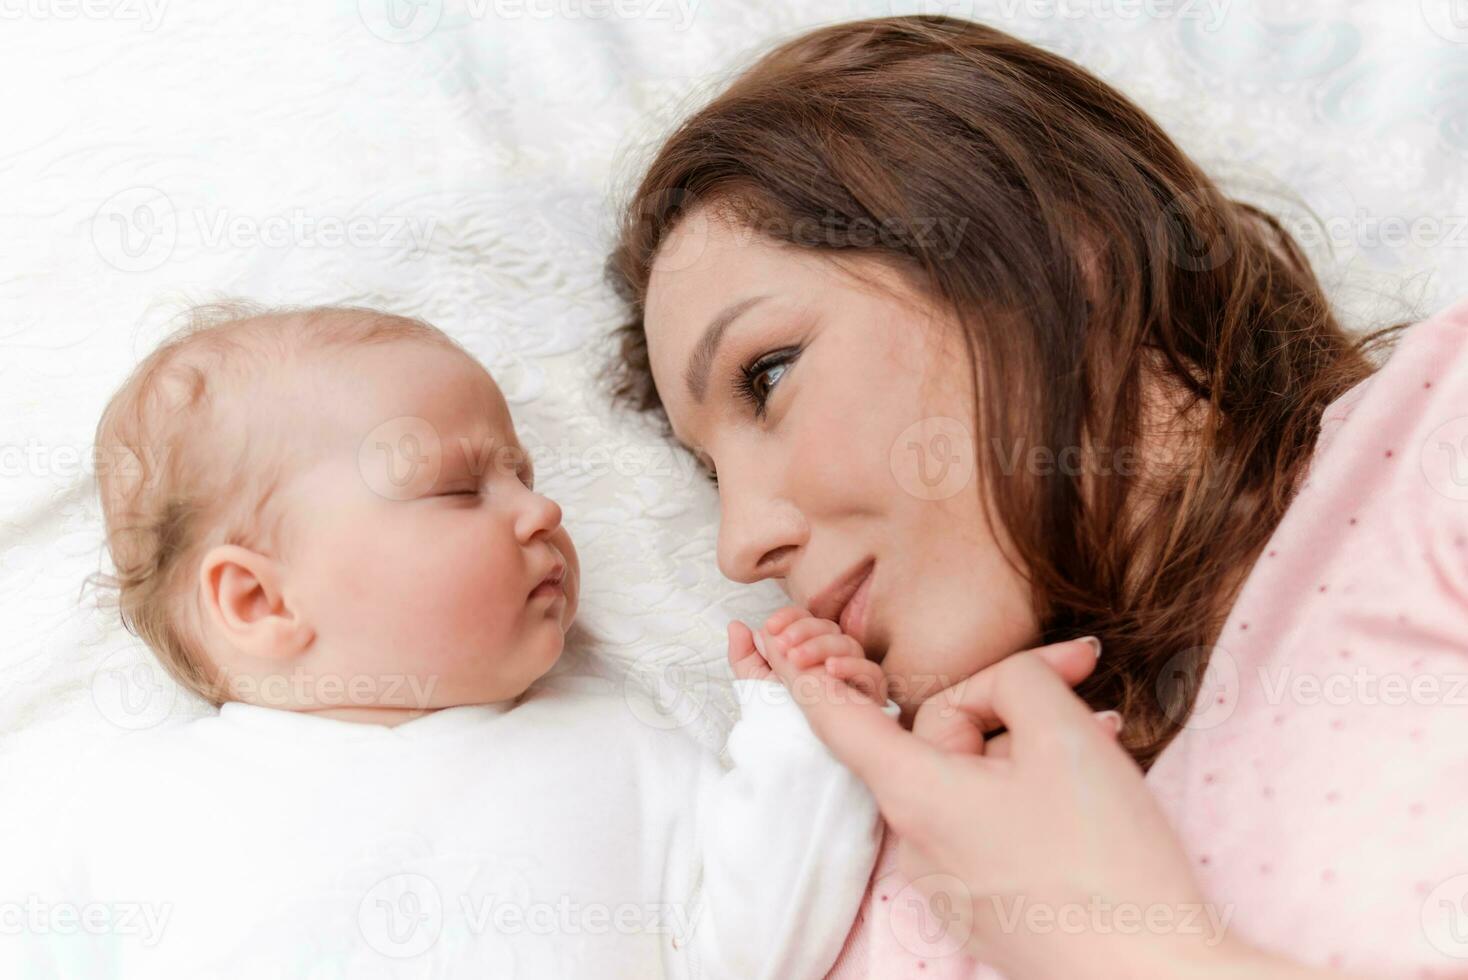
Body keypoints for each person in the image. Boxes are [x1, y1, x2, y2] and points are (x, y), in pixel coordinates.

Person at [603, 14, 1468, 977]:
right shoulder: (853, 870)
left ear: (1058, 241)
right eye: (711, 474)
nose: (737, 546)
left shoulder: (1437, 440)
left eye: (766, 376)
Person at [3, 304, 891, 979]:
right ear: (260, 599)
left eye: (526, 475)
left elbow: (753, 944)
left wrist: (806, 736)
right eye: (461, 489)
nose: (542, 510)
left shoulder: (620, 746)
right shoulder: (131, 813)